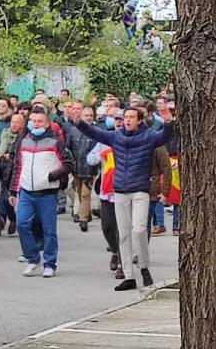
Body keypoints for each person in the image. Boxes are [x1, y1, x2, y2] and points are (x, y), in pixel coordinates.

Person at [76, 106, 174, 290]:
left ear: (139, 120)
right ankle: (129, 276)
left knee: (139, 229)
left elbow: (166, 137)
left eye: (131, 117)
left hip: (140, 190)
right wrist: (78, 122)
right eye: (125, 117)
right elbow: (93, 133)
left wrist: (168, 121)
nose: (127, 120)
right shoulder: (116, 137)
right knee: (124, 234)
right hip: (120, 190)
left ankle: (144, 267)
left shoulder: (149, 137)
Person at [9, 109, 72, 278]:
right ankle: (32, 258)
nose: (35, 124)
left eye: (39, 121)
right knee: (22, 224)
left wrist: (52, 176)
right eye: (32, 120)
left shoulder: (55, 142)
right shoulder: (24, 142)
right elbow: (18, 167)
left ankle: (50, 263)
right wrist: (13, 190)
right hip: (26, 192)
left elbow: (68, 164)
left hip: (47, 193)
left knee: (48, 230)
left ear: (46, 123)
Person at [88, 110, 125, 277]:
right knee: (108, 226)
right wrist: (99, 156)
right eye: (117, 120)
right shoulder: (106, 139)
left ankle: (123, 264)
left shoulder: (134, 139)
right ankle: (116, 251)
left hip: (126, 190)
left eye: (122, 119)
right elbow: (90, 158)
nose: (119, 122)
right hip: (107, 190)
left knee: (123, 228)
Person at [67, 106, 98, 231]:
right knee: (79, 192)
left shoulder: (96, 131)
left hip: (90, 169)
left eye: (91, 115)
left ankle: (83, 219)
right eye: (87, 115)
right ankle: (86, 212)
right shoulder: (73, 131)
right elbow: (68, 148)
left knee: (86, 194)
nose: (89, 117)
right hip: (76, 168)